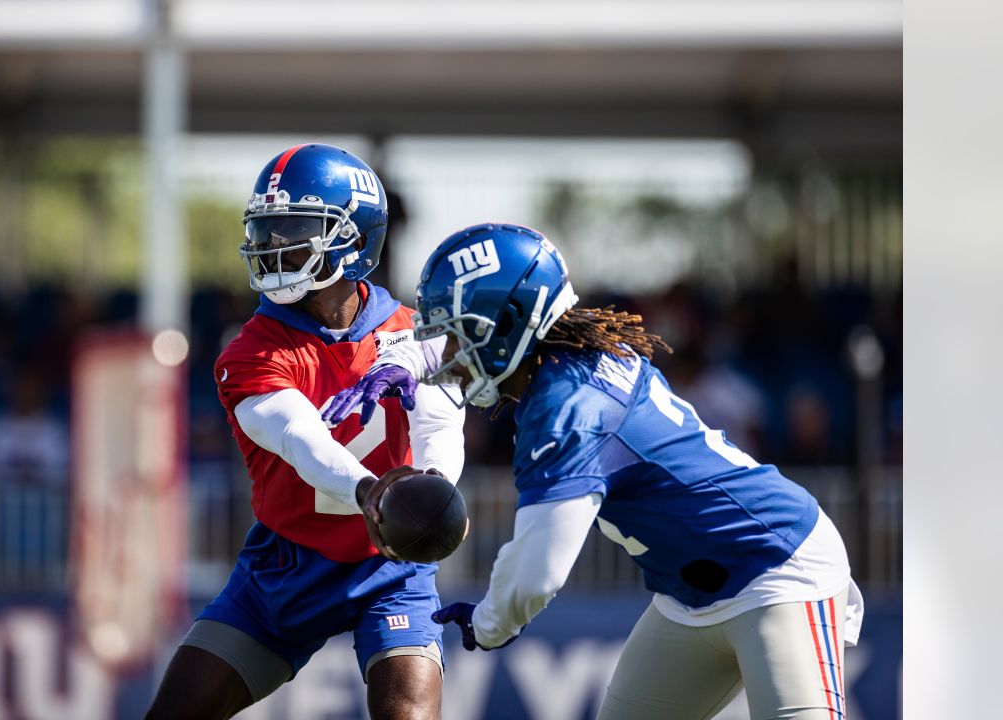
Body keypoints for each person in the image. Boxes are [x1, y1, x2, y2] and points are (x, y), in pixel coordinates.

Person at [327, 222, 863, 720]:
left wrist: (489, 624)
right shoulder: (574, 363)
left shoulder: (569, 409)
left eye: (458, 332)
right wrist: (398, 362)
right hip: (689, 596)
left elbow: (540, 572)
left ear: (506, 325)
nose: (448, 355)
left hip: (776, 568)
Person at [145, 144, 465, 720]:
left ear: (356, 238)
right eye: (265, 230)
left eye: (293, 228)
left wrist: (434, 486)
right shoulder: (249, 350)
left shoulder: (413, 332)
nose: (272, 246)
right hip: (287, 563)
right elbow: (301, 440)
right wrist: (375, 493)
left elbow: (439, 418)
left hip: (389, 565)